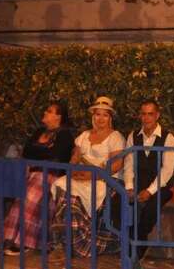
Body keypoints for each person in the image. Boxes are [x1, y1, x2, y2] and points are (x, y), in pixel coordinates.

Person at [0, 101, 75, 255]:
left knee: (27, 199)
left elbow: (56, 156)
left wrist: (38, 153)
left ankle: (19, 241)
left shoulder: (65, 135)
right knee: (21, 200)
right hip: (33, 173)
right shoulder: (39, 131)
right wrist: (44, 152)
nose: (45, 113)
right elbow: (27, 151)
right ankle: (6, 239)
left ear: (58, 117)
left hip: (51, 175)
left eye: (49, 111)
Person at [51, 96, 125, 257]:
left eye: (105, 115)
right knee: (62, 185)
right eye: (98, 114)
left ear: (110, 118)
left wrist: (91, 175)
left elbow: (116, 165)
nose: (101, 119)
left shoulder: (116, 137)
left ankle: (78, 243)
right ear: (93, 116)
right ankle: (67, 241)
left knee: (72, 197)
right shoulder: (84, 136)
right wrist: (74, 170)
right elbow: (74, 159)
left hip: (104, 179)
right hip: (81, 177)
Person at [122, 99, 174, 260]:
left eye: (150, 114)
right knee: (120, 204)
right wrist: (129, 186)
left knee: (150, 210)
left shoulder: (168, 137)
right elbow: (128, 164)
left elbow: (167, 170)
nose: (146, 118)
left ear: (157, 115)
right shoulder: (133, 136)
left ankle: (137, 249)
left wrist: (150, 191)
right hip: (139, 183)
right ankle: (129, 249)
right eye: (144, 114)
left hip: (161, 186)